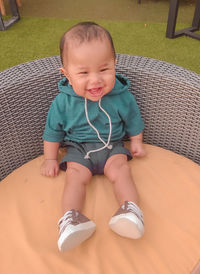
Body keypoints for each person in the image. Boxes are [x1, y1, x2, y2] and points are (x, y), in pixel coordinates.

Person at [41, 21, 146, 252]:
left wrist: (136, 141)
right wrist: (50, 158)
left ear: (115, 65)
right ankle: (71, 219)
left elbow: (133, 119)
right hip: (78, 149)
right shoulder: (63, 102)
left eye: (104, 69)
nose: (96, 80)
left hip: (112, 146)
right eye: (84, 73)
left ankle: (130, 211)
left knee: (121, 170)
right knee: (75, 178)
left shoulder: (121, 95)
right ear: (67, 75)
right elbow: (52, 131)